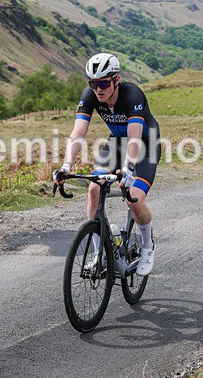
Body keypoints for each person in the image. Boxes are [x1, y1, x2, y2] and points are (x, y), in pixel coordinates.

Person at [54, 53, 161, 276]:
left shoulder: (133, 95)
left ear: (116, 80)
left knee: (134, 198)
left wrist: (129, 168)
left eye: (103, 83)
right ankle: (98, 254)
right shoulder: (91, 95)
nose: (98, 89)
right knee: (94, 188)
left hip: (144, 146)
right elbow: (78, 133)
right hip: (115, 144)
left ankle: (148, 246)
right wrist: (66, 166)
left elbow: (134, 138)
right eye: (93, 83)